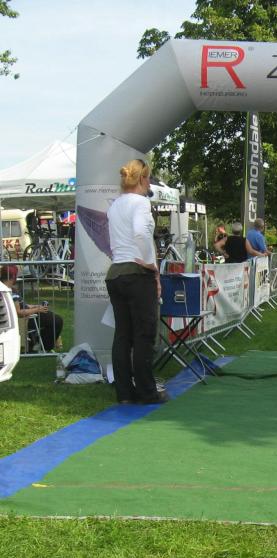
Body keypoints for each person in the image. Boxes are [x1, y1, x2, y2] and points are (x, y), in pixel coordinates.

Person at [105, 159, 167, 405]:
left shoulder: (115, 205)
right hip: (137, 273)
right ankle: (146, 392)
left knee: (123, 335)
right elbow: (141, 234)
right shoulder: (141, 203)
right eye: (148, 178)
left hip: (116, 273)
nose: (149, 182)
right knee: (144, 335)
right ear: (142, 178)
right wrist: (151, 265)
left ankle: (124, 393)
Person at [0, 265, 63, 352]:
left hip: (28, 314)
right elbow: (18, 312)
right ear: (13, 277)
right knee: (57, 321)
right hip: (26, 319)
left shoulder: (6, 288)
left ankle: (38, 343)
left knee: (54, 318)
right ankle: (44, 347)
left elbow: (22, 305)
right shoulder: (8, 291)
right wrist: (37, 310)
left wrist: (35, 306)